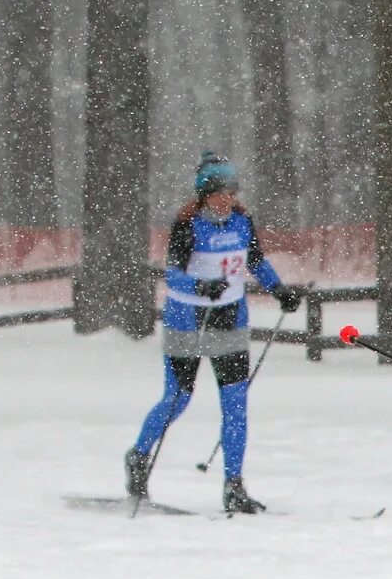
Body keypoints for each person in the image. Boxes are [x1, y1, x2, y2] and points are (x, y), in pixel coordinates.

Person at [123, 153, 303, 514]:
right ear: (205, 194)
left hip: (230, 319)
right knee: (178, 398)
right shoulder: (188, 225)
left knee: (235, 407)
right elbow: (172, 274)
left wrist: (279, 290)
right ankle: (139, 455)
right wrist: (201, 285)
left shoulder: (241, 221)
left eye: (232, 191)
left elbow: (254, 260)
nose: (227, 199)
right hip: (187, 320)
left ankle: (233, 485)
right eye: (220, 192)